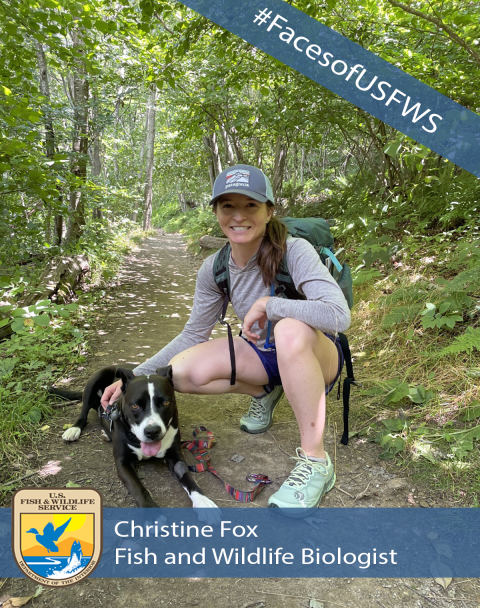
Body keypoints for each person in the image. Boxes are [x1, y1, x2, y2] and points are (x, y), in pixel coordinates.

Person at [101, 164, 351, 513]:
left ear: (269, 211)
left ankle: (315, 462)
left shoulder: (295, 252)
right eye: (228, 206)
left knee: (289, 328)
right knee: (181, 370)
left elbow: (339, 315)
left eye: (251, 205)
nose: (239, 216)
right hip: (265, 357)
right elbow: (193, 333)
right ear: (216, 212)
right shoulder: (214, 268)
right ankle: (267, 391)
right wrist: (130, 378)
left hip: (315, 355)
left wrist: (270, 304)